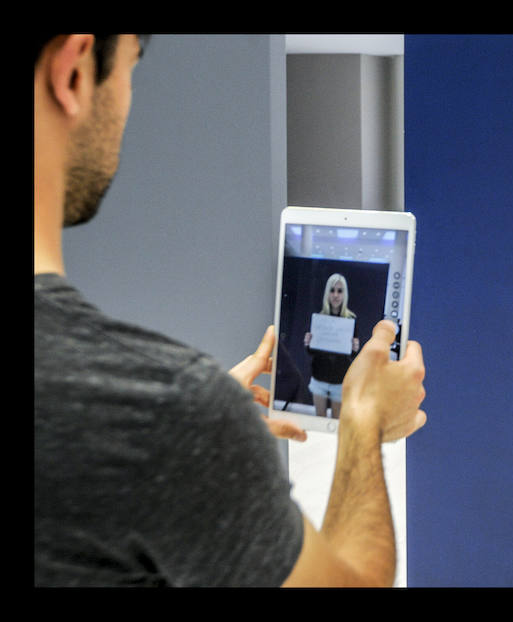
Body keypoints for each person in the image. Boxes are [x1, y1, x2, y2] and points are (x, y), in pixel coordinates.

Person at [34, 34, 426, 587]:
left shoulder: (168, 414)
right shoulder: (165, 410)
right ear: (73, 71)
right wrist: (363, 423)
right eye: (129, 68)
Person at [304, 273, 360, 418]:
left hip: (339, 379)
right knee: (319, 418)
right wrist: (308, 343)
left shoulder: (351, 319)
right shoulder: (318, 317)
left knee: (336, 421)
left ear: (344, 294)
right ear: (327, 293)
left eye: (340, 291)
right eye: (332, 290)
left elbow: (351, 354)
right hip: (319, 377)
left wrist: (355, 348)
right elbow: (312, 351)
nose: (335, 295)